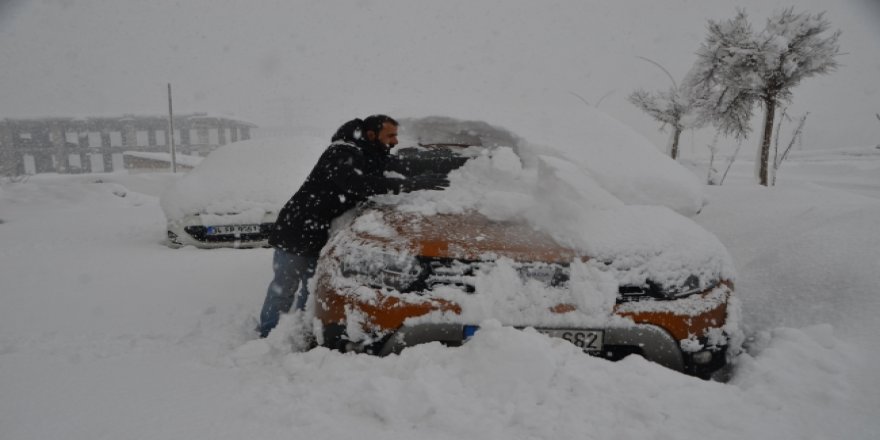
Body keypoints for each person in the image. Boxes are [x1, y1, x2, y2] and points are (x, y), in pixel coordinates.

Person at [258, 115, 451, 337]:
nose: (395, 141)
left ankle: (303, 333)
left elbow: (406, 165)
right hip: (297, 229)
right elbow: (356, 183)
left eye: (396, 135)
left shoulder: (372, 154)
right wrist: (409, 185)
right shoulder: (341, 151)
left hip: (321, 232)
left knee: (311, 291)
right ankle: (268, 334)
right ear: (371, 134)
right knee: (284, 287)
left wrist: (454, 164)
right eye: (390, 135)